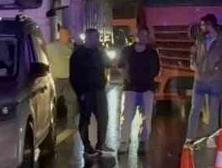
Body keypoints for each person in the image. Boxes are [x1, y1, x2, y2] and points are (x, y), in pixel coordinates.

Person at [187, 14, 222, 140]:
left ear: (209, 25)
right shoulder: (200, 40)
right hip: (200, 79)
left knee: (214, 111)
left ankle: (211, 138)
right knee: (194, 110)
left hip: (215, 80)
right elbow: (193, 53)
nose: (201, 27)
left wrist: (219, 66)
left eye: (203, 25)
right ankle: (189, 138)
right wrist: (193, 65)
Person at [70, 28, 112, 156]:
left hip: (99, 90)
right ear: (88, 39)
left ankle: (101, 144)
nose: (97, 40)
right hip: (86, 92)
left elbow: (107, 64)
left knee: (103, 117)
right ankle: (87, 146)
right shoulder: (78, 55)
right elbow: (74, 76)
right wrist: (80, 93)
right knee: (85, 119)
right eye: (95, 38)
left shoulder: (99, 52)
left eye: (97, 37)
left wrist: (103, 53)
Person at [118, 27, 160, 153]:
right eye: (141, 35)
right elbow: (120, 66)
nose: (143, 38)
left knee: (146, 118)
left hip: (147, 89)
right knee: (126, 117)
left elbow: (156, 69)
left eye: (146, 36)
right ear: (136, 36)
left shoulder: (152, 53)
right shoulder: (127, 51)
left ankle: (142, 142)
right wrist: (127, 78)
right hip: (130, 88)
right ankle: (124, 142)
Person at [45, 28, 77, 122]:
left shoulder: (70, 47)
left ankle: (71, 121)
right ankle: (51, 122)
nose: (67, 36)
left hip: (68, 79)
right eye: (64, 34)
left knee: (72, 100)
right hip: (56, 79)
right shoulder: (51, 47)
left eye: (67, 34)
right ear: (60, 35)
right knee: (52, 101)